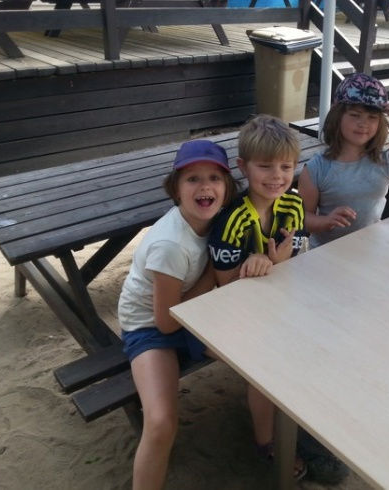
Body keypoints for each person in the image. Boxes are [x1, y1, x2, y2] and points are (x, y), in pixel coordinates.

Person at [117, 139, 237, 490]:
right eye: (192, 179)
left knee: (262, 364)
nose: (205, 187)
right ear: (175, 188)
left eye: (214, 178)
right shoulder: (170, 245)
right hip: (150, 327)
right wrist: (212, 274)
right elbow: (167, 322)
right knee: (160, 422)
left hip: (191, 310)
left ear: (227, 187)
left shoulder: (221, 219)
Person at [208, 114, 309, 480]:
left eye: (286, 167)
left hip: (281, 298)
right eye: (265, 166)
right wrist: (263, 263)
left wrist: (273, 262)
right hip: (236, 312)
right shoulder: (232, 220)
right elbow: (224, 288)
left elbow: (295, 261)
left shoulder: (293, 204)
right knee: (265, 367)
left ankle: (301, 417)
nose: (277, 176)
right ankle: (267, 441)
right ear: (243, 167)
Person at [298, 72, 389, 248]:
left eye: (372, 117)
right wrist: (326, 221)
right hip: (326, 253)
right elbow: (301, 218)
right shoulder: (316, 168)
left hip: (371, 248)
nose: (363, 123)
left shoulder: (387, 159)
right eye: (355, 115)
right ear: (337, 116)